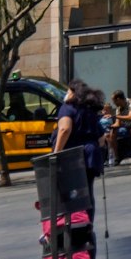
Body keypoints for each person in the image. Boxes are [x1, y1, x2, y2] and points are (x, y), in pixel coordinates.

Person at [53, 79, 106, 214]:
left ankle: (75, 224)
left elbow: (64, 129)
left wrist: (56, 153)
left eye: (68, 90)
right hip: (91, 156)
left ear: (73, 93)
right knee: (87, 192)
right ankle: (88, 225)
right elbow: (101, 138)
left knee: (72, 192)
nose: (66, 93)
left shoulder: (67, 108)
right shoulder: (89, 110)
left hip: (73, 157)